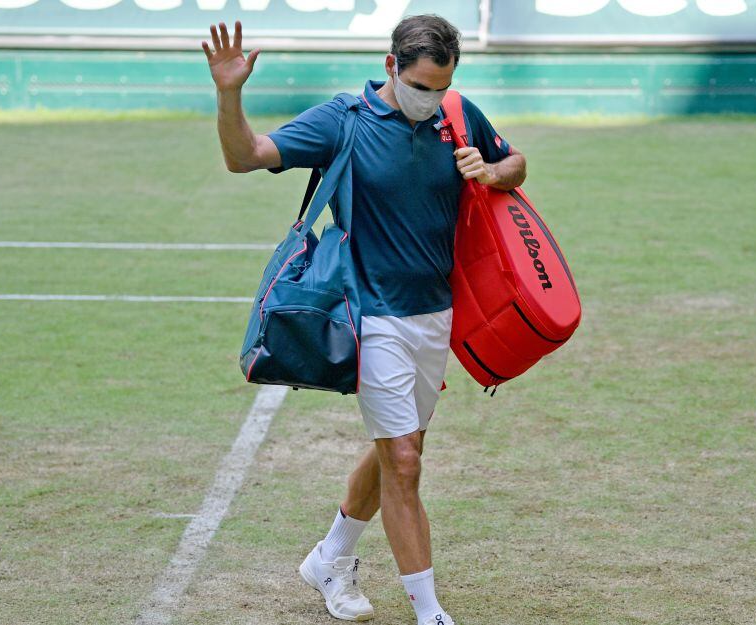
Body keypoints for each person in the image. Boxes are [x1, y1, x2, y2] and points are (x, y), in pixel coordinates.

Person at [202, 14, 526, 625]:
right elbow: (245, 157)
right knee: (404, 460)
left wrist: (491, 169)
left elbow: (516, 164)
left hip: (436, 315)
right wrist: (229, 92)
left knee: (398, 450)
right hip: (369, 314)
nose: (431, 99)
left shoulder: (457, 114)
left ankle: (331, 556)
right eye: (421, 86)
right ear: (390, 67)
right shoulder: (342, 121)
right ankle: (430, 612)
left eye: (442, 86)